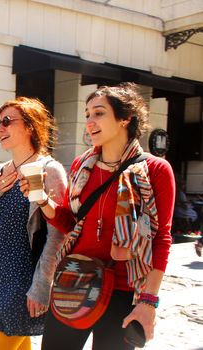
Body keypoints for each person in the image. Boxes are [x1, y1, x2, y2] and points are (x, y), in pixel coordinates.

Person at [19, 83, 174, 350]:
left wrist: (149, 302)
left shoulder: (155, 169)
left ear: (126, 118)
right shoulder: (82, 165)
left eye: (99, 113)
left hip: (124, 290)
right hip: (73, 279)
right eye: (87, 114)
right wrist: (42, 199)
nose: (89, 122)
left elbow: (161, 238)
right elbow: (69, 223)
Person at [0, 97, 67, 350]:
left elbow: (57, 235)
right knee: (18, 338)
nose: (0, 128)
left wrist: (42, 285)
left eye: (7, 121)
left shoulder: (49, 170)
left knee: (4, 337)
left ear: (30, 126)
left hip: (26, 275)